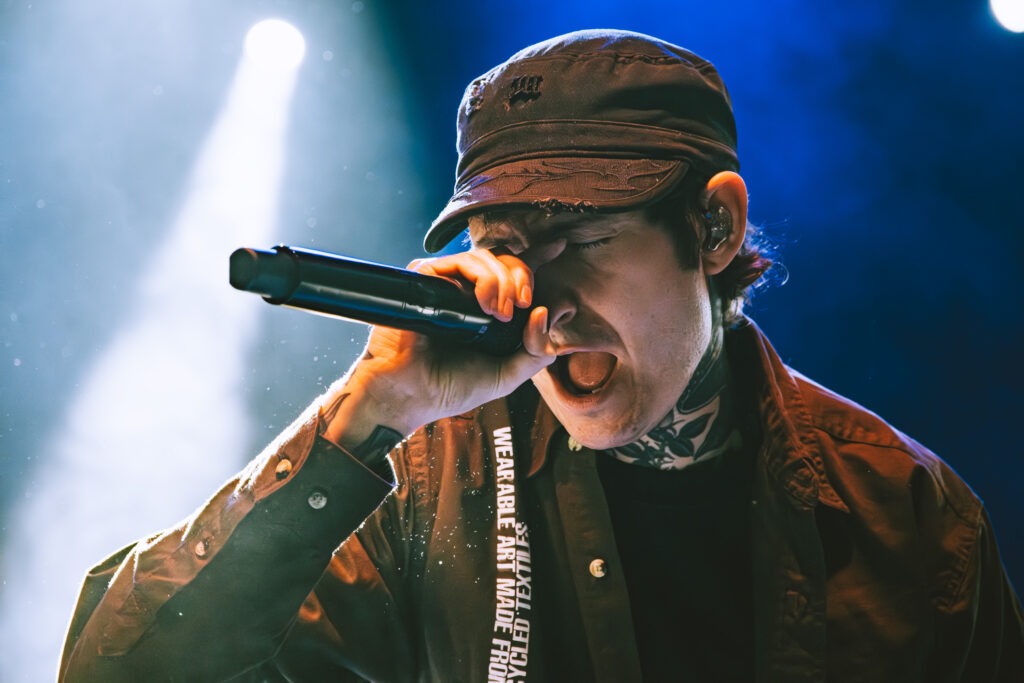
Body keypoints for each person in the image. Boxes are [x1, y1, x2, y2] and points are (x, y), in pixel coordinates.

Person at [59, 29, 1023, 682]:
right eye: (506, 249)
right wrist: (366, 412)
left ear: (715, 226)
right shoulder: (423, 478)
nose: (542, 305)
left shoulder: (906, 510)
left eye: (582, 240)